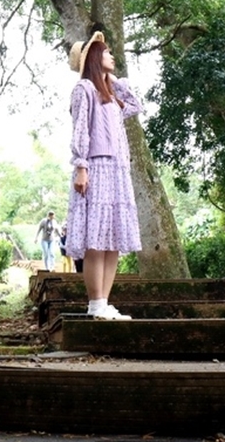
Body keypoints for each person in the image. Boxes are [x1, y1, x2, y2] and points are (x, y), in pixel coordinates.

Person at [65, 31, 142, 320]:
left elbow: (135, 105)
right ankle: (95, 303)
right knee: (95, 239)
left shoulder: (109, 92)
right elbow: (81, 129)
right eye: (107, 52)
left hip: (118, 169)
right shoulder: (83, 89)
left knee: (112, 239)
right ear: (95, 58)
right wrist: (81, 167)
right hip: (95, 167)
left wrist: (112, 81)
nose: (112, 56)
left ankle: (105, 302)